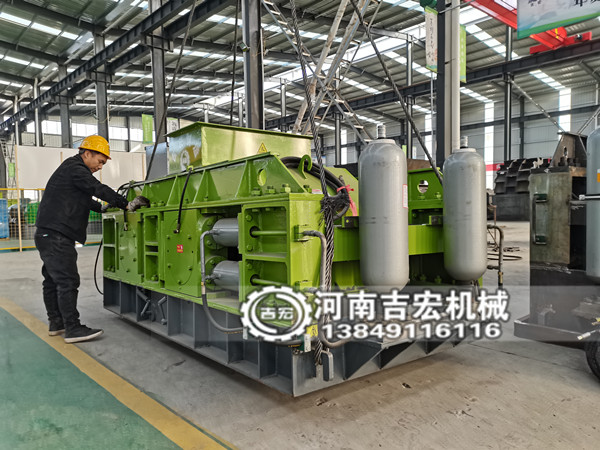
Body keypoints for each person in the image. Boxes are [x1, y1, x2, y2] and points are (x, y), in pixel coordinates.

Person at [34, 135, 149, 344]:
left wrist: (103, 208)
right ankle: (73, 328)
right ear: (87, 153)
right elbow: (97, 188)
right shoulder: (76, 168)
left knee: (52, 281)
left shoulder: (71, 171)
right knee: (68, 281)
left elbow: (84, 199)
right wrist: (126, 204)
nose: (100, 166)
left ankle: (56, 323)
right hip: (57, 236)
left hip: (48, 234)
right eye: (100, 161)